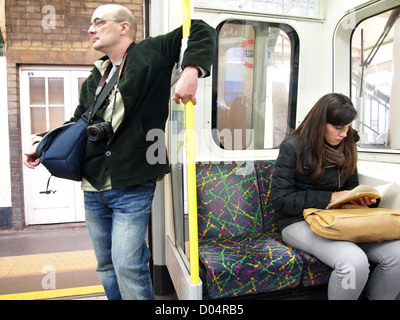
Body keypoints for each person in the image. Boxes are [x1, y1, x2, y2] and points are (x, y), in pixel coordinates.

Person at [23, 4, 217, 300]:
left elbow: (201, 28)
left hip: (132, 184)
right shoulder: (96, 75)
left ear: (123, 27)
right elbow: (77, 122)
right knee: (106, 266)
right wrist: (42, 143)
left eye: (98, 22)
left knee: (128, 265)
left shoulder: (151, 52)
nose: (91, 29)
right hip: (92, 184)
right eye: (91, 24)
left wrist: (191, 70)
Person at [271, 93, 400, 300]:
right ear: (320, 124)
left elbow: (350, 186)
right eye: (338, 128)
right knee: (353, 262)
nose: (344, 133)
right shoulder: (293, 147)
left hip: (341, 218)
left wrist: (361, 199)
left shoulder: (347, 144)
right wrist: (330, 198)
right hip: (297, 220)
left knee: (398, 254)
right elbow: (280, 199)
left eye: (348, 127)